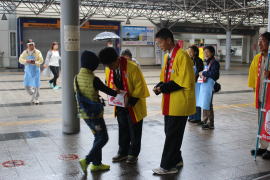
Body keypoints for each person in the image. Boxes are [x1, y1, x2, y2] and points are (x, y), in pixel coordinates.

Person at [152, 28, 196, 175]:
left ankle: (167, 166)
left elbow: (182, 81)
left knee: (172, 134)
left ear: (169, 40)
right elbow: (166, 78)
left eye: (160, 42)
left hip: (179, 103)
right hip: (170, 102)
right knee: (170, 133)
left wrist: (163, 87)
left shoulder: (182, 56)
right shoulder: (168, 56)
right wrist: (159, 86)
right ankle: (177, 159)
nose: (159, 45)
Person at [99, 47, 150, 164]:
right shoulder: (109, 69)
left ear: (117, 59)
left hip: (134, 104)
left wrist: (130, 101)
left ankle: (133, 153)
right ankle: (122, 151)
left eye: (111, 65)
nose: (110, 68)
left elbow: (140, 87)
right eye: (107, 66)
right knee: (122, 128)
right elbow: (109, 84)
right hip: (120, 104)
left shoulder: (132, 67)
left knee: (135, 130)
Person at [75, 51, 119, 173]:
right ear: (93, 65)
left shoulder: (77, 77)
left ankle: (97, 164)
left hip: (84, 113)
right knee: (103, 138)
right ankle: (87, 160)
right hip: (95, 115)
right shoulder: (94, 79)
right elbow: (108, 91)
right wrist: (118, 92)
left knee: (97, 137)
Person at [249, 32, 270, 160]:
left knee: (269, 122)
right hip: (261, 95)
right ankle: (263, 146)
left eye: (262, 41)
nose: (259, 43)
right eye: (259, 41)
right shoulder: (258, 58)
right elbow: (252, 74)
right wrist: (254, 90)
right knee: (261, 122)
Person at [198, 46, 220, 130]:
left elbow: (215, 74)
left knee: (208, 104)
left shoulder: (214, 62)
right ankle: (205, 120)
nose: (205, 54)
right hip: (205, 85)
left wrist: (203, 73)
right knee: (205, 103)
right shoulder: (208, 62)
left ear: (212, 53)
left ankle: (210, 123)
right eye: (204, 52)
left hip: (210, 86)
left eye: (207, 52)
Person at [19, 39, 44, 104]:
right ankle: (33, 94)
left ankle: (36, 99)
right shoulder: (25, 52)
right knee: (26, 85)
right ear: (27, 45)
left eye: (32, 44)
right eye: (30, 45)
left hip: (35, 70)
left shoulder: (37, 52)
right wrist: (26, 61)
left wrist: (35, 62)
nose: (31, 46)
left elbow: (41, 60)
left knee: (36, 85)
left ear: (34, 45)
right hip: (28, 71)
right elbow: (20, 60)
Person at [187, 45, 204, 124]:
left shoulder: (199, 60)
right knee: (190, 100)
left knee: (196, 100)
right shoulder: (189, 60)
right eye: (188, 51)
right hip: (190, 83)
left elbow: (200, 72)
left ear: (195, 52)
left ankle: (197, 118)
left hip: (197, 83)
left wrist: (195, 77)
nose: (189, 53)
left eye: (191, 51)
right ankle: (191, 116)